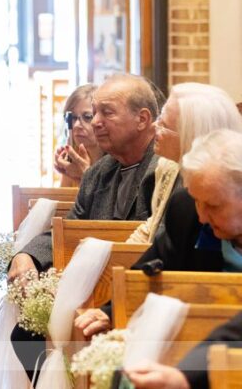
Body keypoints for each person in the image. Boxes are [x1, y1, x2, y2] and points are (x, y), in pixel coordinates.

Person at [8, 73, 161, 382]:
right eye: (96, 112)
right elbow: (71, 229)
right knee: (25, 334)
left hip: (136, 290)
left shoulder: (161, 171)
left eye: (107, 112)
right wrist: (27, 257)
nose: (96, 122)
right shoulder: (99, 174)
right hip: (92, 288)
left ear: (142, 118)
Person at [75, 128, 242, 340]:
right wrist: (110, 312)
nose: (202, 217)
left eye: (212, 205)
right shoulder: (186, 210)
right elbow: (147, 273)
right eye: (197, 201)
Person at [125, 82, 242, 244]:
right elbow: (152, 228)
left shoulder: (226, 181)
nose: (153, 127)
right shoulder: (167, 166)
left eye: (163, 125)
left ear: (190, 134)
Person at [54, 84, 104, 187]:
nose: (76, 125)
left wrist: (84, 177)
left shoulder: (118, 162)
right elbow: (64, 201)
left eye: (87, 117)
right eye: (72, 118)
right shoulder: (72, 160)